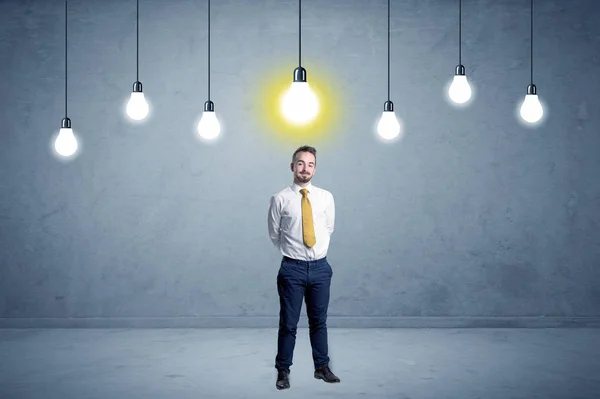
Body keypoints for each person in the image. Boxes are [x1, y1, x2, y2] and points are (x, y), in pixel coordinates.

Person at [267, 145, 341, 390]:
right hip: (292, 269)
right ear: (292, 166)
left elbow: (328, 228)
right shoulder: (280, 198)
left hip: (320, 269)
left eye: (310, 164)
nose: (305, 168)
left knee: (319, 321)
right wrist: (295, 255)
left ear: (315, 168)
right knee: (288, 323)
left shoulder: (325, 197)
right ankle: (283, 371)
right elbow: (274, 234)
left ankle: (321, 367)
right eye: (300, 163)